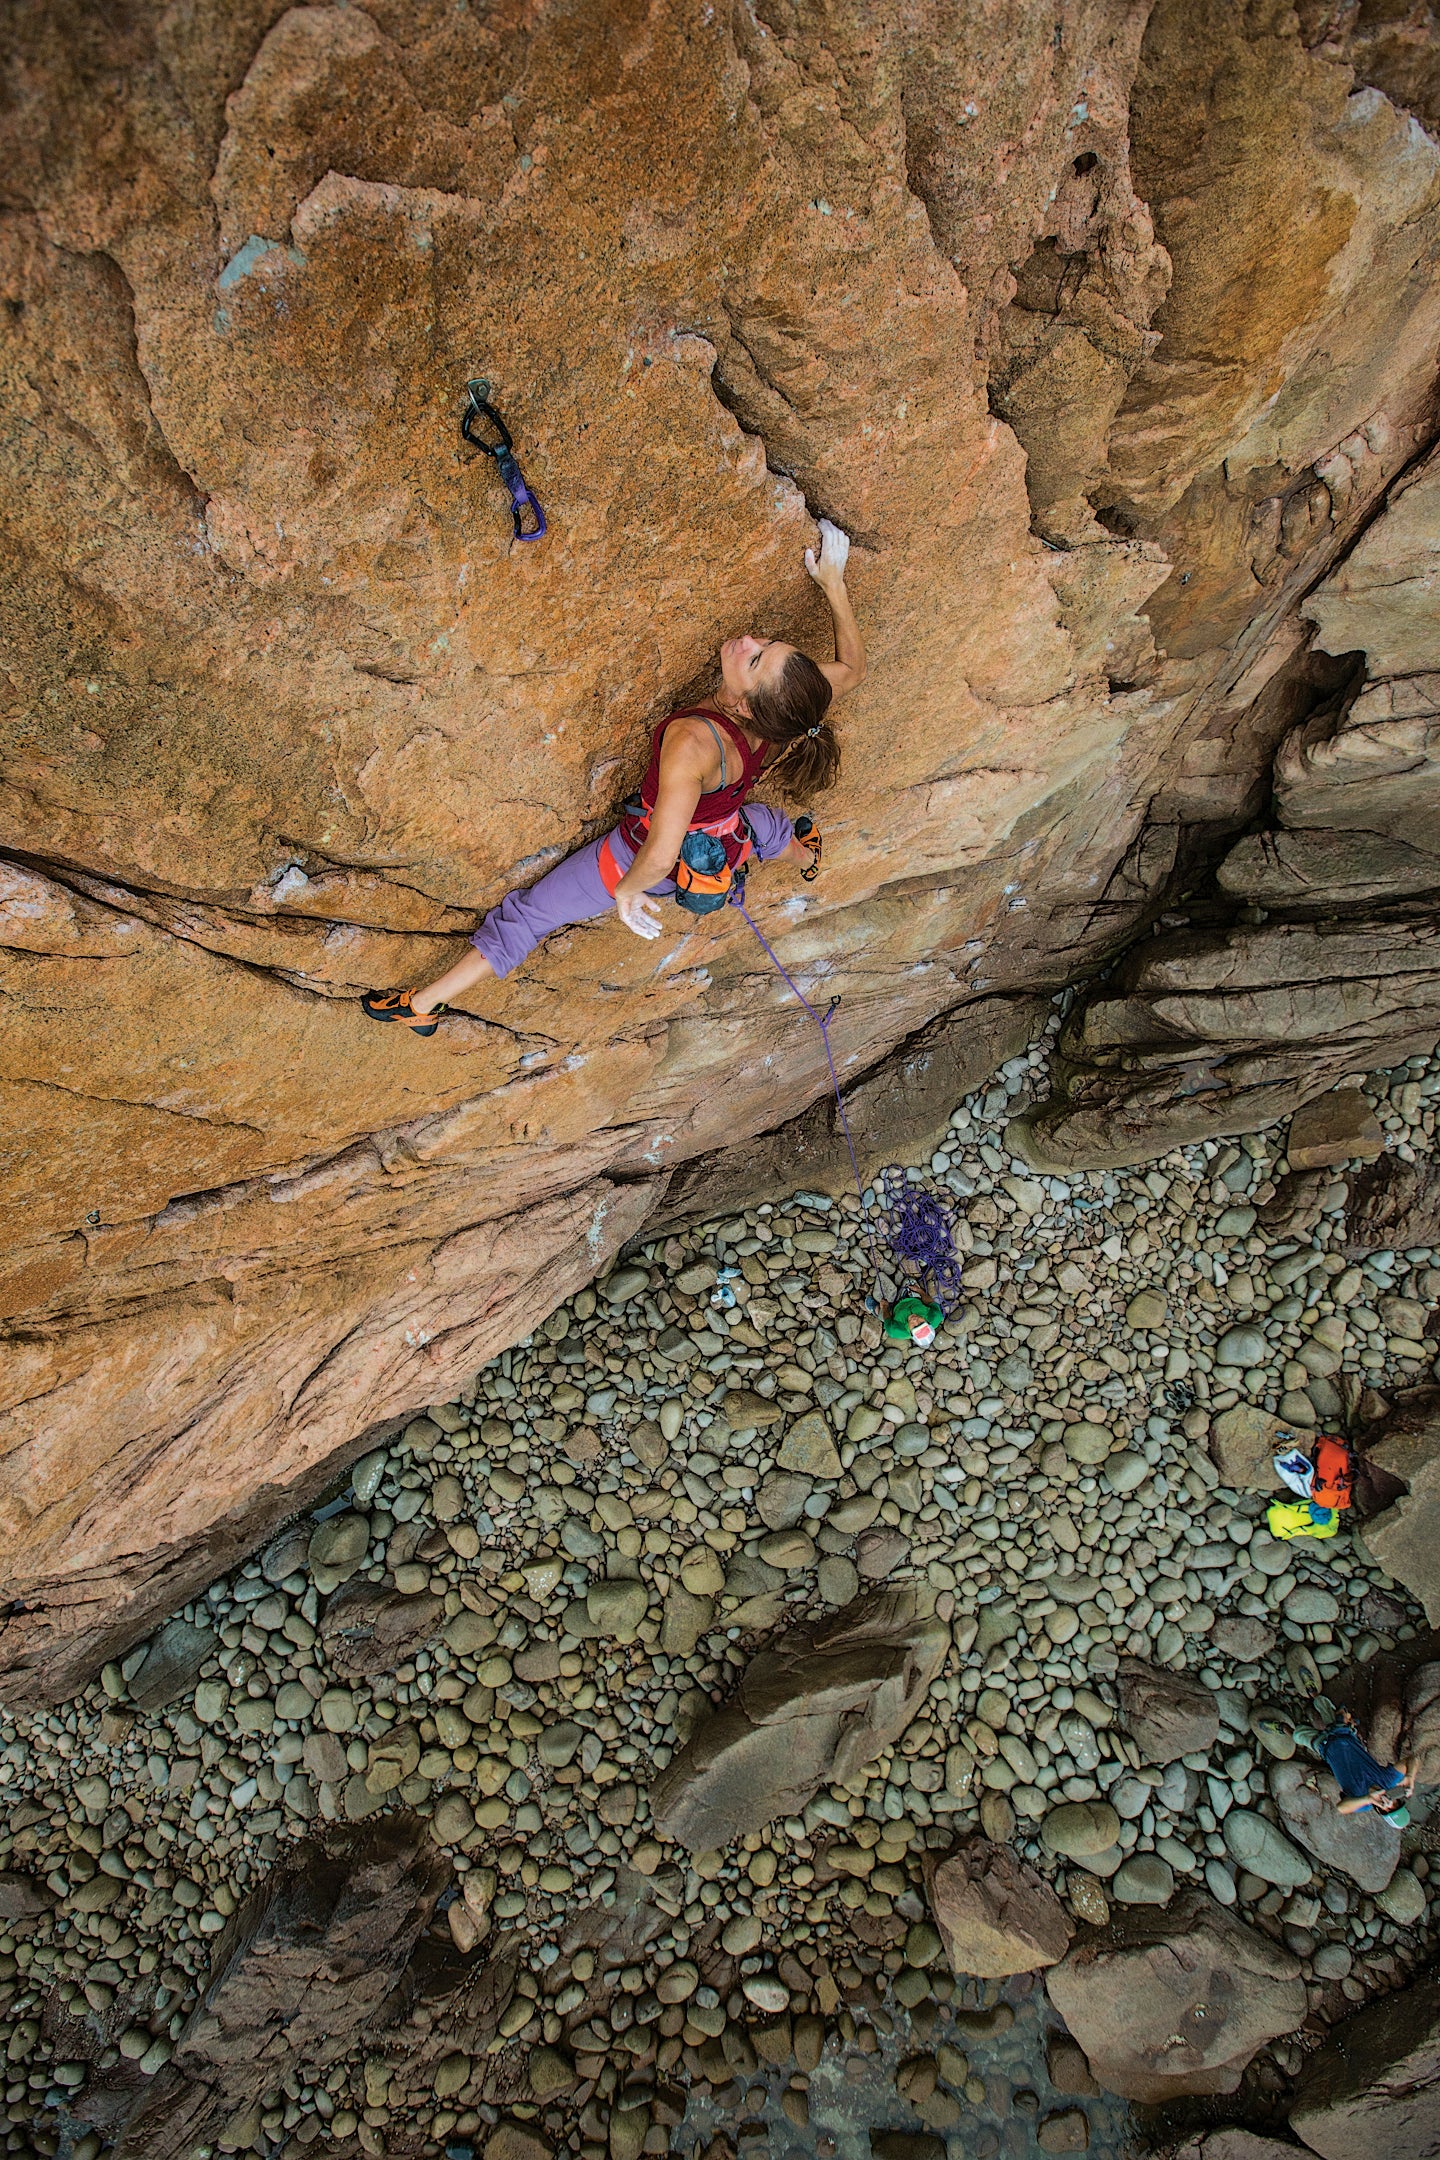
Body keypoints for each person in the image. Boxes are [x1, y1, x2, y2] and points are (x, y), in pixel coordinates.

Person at [362, 519, 866, 1035]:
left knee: (529, 917)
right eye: (767, 643)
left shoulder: (694, 742)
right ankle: (808, 857)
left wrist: (627, 890)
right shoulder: (785, 714)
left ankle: (422, 1007)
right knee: (769, 829)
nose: (748, 641)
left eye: (756, 658)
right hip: (728, 833)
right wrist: (834, 584)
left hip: (645, 857)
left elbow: (662, 852)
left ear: (741, 702)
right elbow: (850, 671)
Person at [1293, 1707, 1416, 1824]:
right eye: (1394, 1804)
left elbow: (1341, 1808)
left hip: (1324, 1746)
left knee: (1297, 1734)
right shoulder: (1389, 1781)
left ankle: (1283, 1728)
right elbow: (1412, 1760)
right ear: (1397, 1798)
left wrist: (1369, 1798)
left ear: (1379, 1810)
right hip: (1346, 1734)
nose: (1388, 1804)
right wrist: (1410, 1776)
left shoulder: (1362, 1802)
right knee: (1324, 1705)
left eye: (1386, 1809)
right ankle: (1325, 1704)